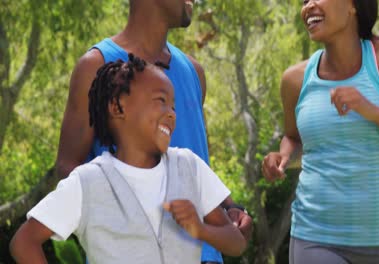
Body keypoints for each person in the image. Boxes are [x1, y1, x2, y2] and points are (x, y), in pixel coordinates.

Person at [55, 0, 252, 262]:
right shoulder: (96, 66)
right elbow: (68, 166)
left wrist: (231, 209)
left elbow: (195, 166)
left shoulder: (194, 72)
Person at [10, 56, 247, 263]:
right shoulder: (88, 183)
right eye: (160, 101)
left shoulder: (189, 167)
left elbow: (236, 243)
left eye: (173, 106)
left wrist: (201, 229)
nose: (171, 113)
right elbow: (24, 243)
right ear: (117, 107)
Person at [262, 0, 379, 263]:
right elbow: (293, 138)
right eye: (304, 1)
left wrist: (371, 111)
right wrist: (282, 157)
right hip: (314, 237)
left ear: (353, 6)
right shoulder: (294, 79)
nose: (308, 6)